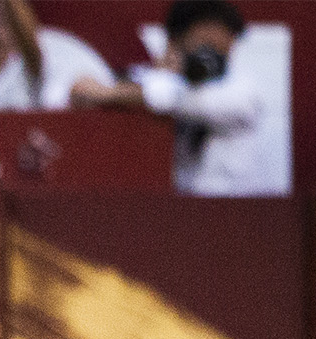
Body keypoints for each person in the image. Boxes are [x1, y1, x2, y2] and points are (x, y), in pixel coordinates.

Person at [69, 0, 267, 197]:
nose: (211, 60)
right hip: (162, 203)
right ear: (175, 42)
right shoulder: (149, 78)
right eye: (205, 47)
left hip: (229, 206)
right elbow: (84, 91)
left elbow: (184, 100)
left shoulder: (242, 89)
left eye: (221, 50)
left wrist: (112, 94)